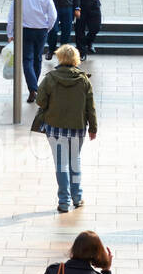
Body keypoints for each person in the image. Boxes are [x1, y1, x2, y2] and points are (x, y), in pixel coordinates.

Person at [34, 44, 97, 213]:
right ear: (75, 58)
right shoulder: (83, 80)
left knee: (61, 165)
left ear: (60, 57)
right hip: (77, 127)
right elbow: (90, 106)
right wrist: (93, 128)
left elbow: (40, 101)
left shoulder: (51, 78)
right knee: (74, 161)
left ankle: (63, 201)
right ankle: (77, 197)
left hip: (55, 128)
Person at [8, 0, 58, 101]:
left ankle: (32, 88)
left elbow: (12, 15)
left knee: (27, 59)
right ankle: (34, 87)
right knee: (38, 58)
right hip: (41, 29)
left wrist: (10, 32)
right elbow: (53, 15)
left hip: (25, 29)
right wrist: (48, 27)